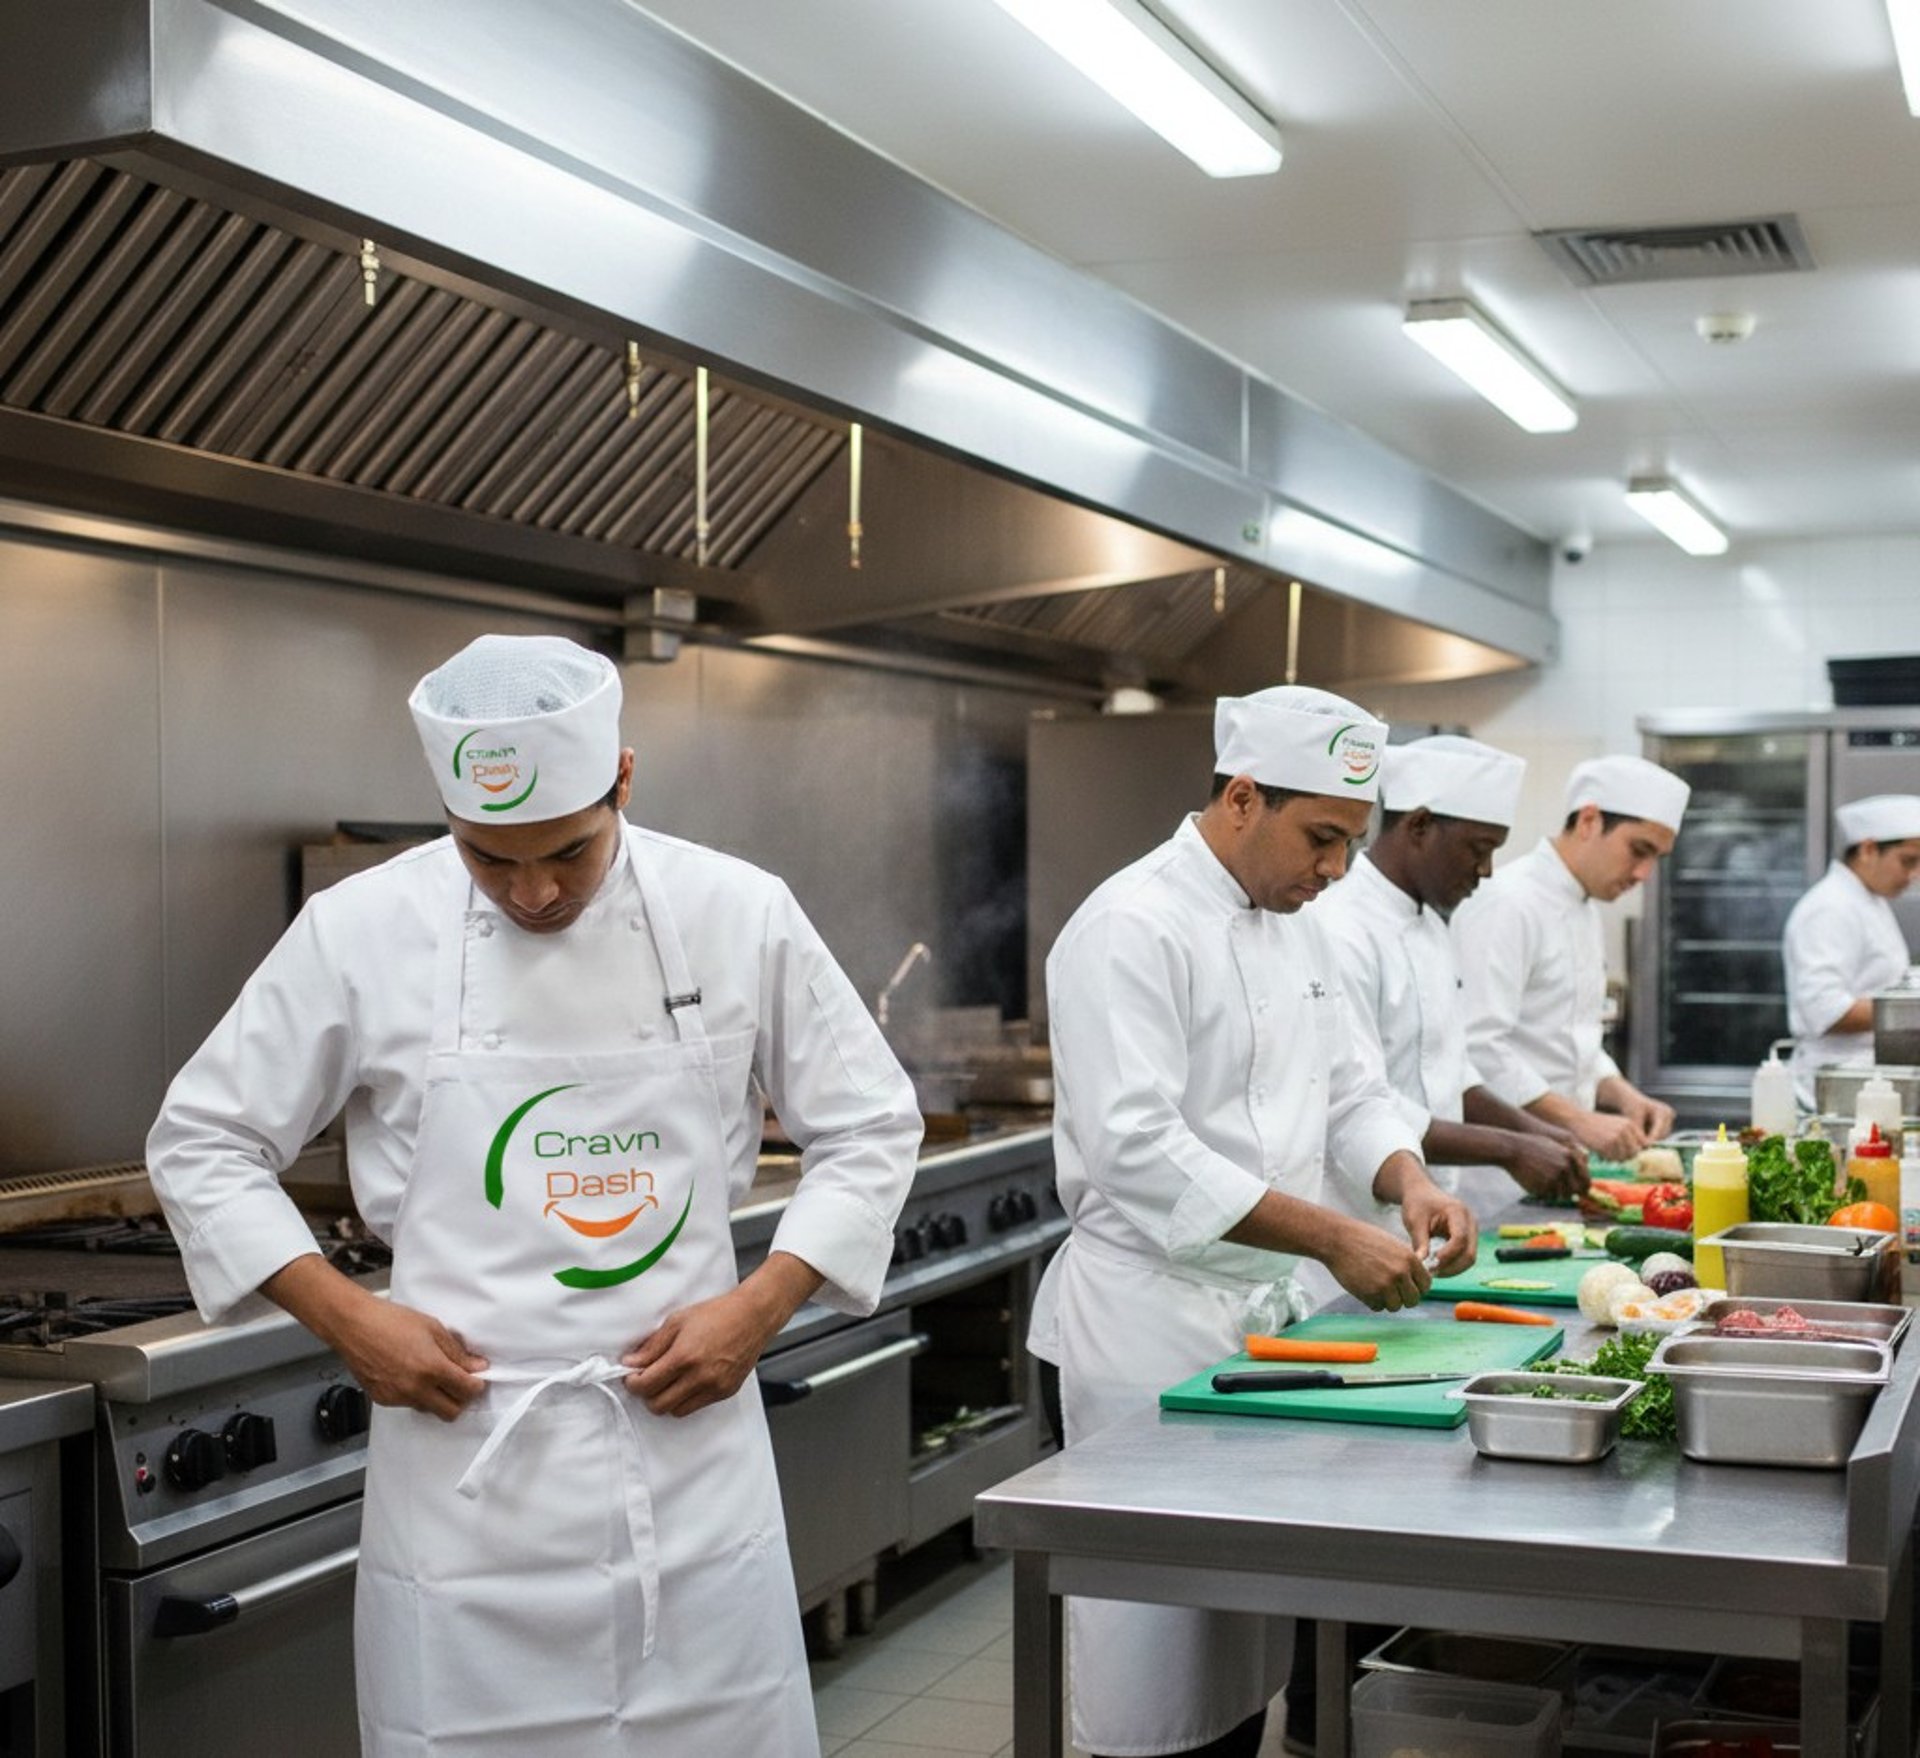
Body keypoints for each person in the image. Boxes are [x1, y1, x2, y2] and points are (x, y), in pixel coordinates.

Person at [147, 634, 921, 1757]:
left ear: (623, 778)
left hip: (688, 1469)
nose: (533, 892)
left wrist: (759, 1310)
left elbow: (869, 1123)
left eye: (568, 852)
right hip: (465, 1482)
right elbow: (204, 1139)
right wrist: (349, 1320)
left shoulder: (735, 910)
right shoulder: (361, 929)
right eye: (487, 859)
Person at [1028, 684, 1476, 1758]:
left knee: (1242, 1641)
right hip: (1147, 1328)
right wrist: (1331, 1237)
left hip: (1264, 1328)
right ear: (1239, 798)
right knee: (1153, 1656)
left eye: (1351, 844)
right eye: (1322, 837)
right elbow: (1136, 1149)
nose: (1335, 870)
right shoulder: (1128, 926)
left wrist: (1407, 1178)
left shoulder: (1302, 927)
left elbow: (1354, 1091)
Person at [1315, 735, 1589, 1218]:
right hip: (1349, 1217)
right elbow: (1357, 1102)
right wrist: (1510, 1148)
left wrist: (1534, 1130)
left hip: (1424, 1215)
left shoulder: (1433, 924)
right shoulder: (1341, 930)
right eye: (1478, 849)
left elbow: (1451, 1073)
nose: (1486, 871)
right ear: (1419, 825)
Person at [1453, 754, 1689, 1162]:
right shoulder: (1508, 902)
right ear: (1588, 821)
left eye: (1655, 859)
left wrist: (1622, 1094)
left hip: (1560, 1159)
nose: (1644, 874)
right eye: (1639, 850)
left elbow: (1571, 1038)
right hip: (1500, 1170)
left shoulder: (1585, 908)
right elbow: (1478, 1047)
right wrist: (1579, 1120)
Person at [1783, 793, 1920, 1107]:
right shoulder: (1830, 908)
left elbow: (1884, 983)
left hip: (1870, 1080)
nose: (1914, 875)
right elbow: (1825, 1009)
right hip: (1835, 1085)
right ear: (1868, 849)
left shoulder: (1870, 901)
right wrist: (1909, 1011)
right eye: (1908, 860)